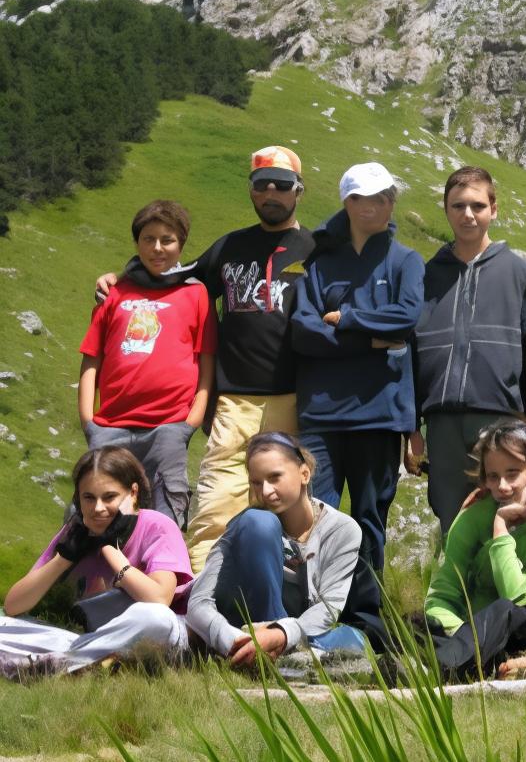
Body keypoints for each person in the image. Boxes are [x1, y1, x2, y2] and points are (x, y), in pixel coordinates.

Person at [95, 146, 317, 571]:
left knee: (290, 506)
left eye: (282, 184)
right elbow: (173, 275)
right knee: (215, 505)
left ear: (298, 191)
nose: (272, 192)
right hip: (233, 402)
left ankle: (290, 602)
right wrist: (122, 275)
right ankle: (195, 600)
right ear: (251, 191)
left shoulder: (315, 248)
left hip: (296, 400)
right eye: (262, 184)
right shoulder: (231, 247)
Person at [291, 162, 425, 569]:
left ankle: (363, 618)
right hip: (321, 416)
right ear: (346, 203)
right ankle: (314, 613)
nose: (371, 206)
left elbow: (406, 317)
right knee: (313, 517)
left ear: (392, 203)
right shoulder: (320, 263)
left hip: (379, 416)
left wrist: (346, 318)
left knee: (370, 519)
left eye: (382, 197)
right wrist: (371, 341)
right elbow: (303, 331)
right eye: (360, 198)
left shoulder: (407, 261)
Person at [79, 199, 217, 527]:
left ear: (181, 243)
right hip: (109, 427)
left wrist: (191, 420)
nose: (157, 248)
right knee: (96, 516)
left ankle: (162, 578)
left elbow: (206, 361)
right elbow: (91, 360)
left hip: (168, 427)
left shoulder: (197, 294)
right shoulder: (114, 293)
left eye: (167, 240)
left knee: (166, 513)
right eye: (148, 239)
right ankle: (98, 578)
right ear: (137, 242)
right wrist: (88, 421)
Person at [412, 166, 526, 532]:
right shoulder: (425, 274)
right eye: (458, 205)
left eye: (478, 206)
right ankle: (456, 590)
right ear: (446, 209)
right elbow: (410, 352)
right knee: (451, 517)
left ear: (494, 209)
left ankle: (505, 591)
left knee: (505, 514)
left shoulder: (520, 272)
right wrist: (412, 427)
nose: (468, 214)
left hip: (500, 415)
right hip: (442, 421)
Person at [0, 447, 192, 674]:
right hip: (86, 639)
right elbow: (13, 606)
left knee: (157, 619)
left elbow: (159, 599)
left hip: (154, 637)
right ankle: (78, 661)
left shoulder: (158, 526)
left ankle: (59, 662)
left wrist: (110, 549)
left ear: (132, 493)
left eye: (109, 497)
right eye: (88, 498)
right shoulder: (75, 532)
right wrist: (64, 558)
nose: (97, 508)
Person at [186, 432, 369, 666]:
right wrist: (233, 640)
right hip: (242, 628)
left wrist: (280, 633)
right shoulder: (248, 524)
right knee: (259, 523)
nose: (265, 492)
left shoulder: (342, 530)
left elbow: (329, 607)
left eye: (275, 478)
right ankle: (268, 657)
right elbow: (199, 602)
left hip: (292, 630)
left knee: (355, 639)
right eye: (256, 482)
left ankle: (280, 654)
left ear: (304, 473)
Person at [421, 417, 526, 678]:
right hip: (477, 631)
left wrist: (500, 527)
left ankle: (436, 670)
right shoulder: (473, 517)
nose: (503, 487)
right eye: (493, 477)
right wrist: (461, 632)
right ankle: (474, 660)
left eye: (512, 473)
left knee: (505, 610)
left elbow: (516, 595)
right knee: (419, 623)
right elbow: (441, 595)